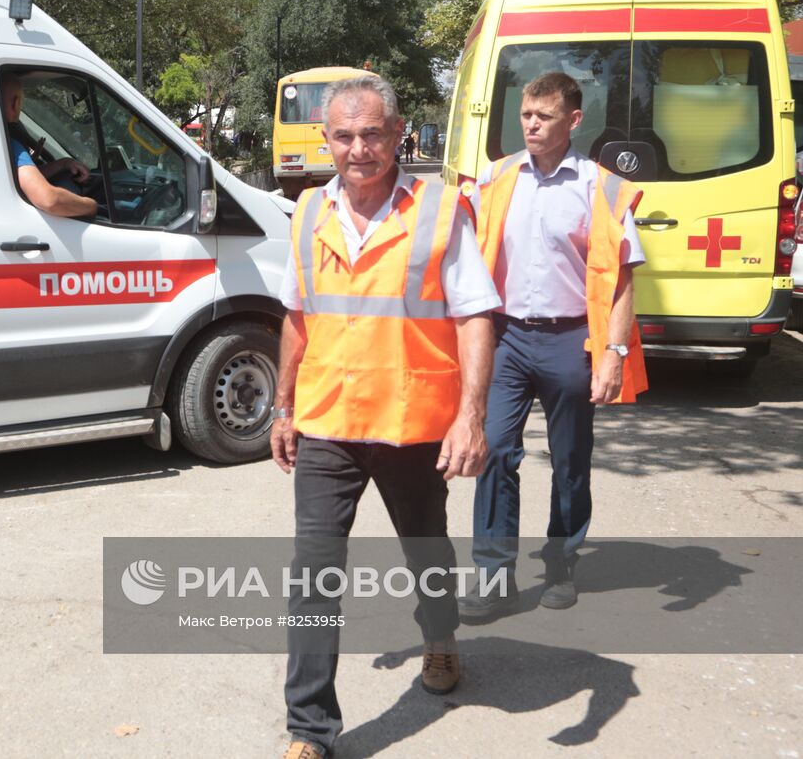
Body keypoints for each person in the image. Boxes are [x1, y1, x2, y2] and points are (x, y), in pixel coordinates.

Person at [271, 76, 499, 759]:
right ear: (326, 140)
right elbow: (296, 315)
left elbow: (474, 315)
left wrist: (471, 416)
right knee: (313, 573)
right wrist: (283, 405)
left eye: (372, 133)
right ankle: (310, 729)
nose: (358, 148)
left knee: (426, 549)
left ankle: (440, 638)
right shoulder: (308, 209)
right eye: (343, 135)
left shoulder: (438, 208)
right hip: (328, 423)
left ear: (398, 133)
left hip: (412, 421)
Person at [460, 71, 647, 621]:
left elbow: (622, 281)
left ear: (573, 120)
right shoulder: (495, 179)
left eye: (543, 116)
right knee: (493, 451)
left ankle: (561, 564)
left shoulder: (602, 187)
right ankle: (493, 576)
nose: (532, 125)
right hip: (507, 338)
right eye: (525, 115)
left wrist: (612, 354)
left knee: (570, 461)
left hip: (571, 340)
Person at [0, 73, 98, 218]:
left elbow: (27, 178)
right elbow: (50, 200)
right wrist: (92, 206)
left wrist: (64, 164)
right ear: (15, 103)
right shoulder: (8, 145)